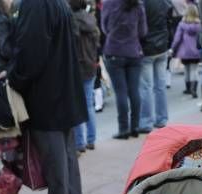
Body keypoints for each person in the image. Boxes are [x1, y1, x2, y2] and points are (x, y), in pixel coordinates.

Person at [8, 0, 87, 194]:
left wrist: (14, 78)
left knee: (56, 159)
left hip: (48, 94)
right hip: (62, 90)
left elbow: (31, 52)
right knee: (65, 155)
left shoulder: (36, 4)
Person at [101, 0, 148, 139]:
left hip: (114, 50)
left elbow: (104, 27)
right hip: (133, 50)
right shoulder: (138, 4)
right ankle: (135, 126)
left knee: (120, 92)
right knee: (134, 91)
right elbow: (143, 31)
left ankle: (123, 128)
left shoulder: (109, 3)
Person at [138, 0, 175, 133]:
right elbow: (170, 20)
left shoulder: (142, 3)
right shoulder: (164, 2)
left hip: (147, 47)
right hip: (162, 45)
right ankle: (162, 119)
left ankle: (146, 121)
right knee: (160, 85)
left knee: (146, 87)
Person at [70, 0, 100, 153]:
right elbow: (97, 42)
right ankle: (91, 139)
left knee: (76, 105)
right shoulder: (91, 18)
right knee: (89, 104)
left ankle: (79, 143)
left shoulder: (71, 20)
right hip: (90, 65)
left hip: (76, 67)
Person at [171, 3, 201, 98]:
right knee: (194, 70)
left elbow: (177, 38)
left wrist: (173, 48)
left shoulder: (182, 24)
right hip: (196, 51)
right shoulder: (199, 25)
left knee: (187, 69)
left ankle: (188, 88)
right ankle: (194, 89)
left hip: (184, 52)